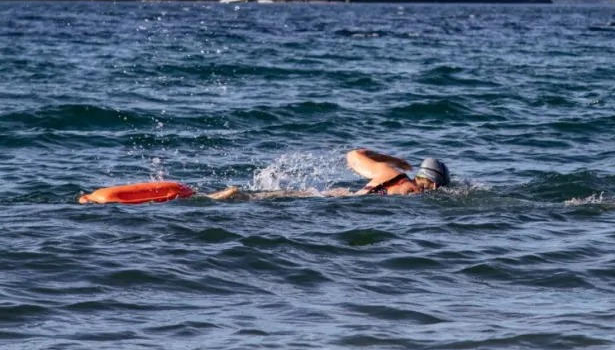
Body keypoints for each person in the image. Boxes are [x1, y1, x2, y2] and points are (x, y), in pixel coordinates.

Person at [79, 149, 451, 204]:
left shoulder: (388, 172)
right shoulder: (412, 194)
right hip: (326, 206)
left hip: (323, 197)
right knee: (228, 201)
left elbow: (353, 154)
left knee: (263, 195)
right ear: (432, 184)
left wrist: (394, 158)